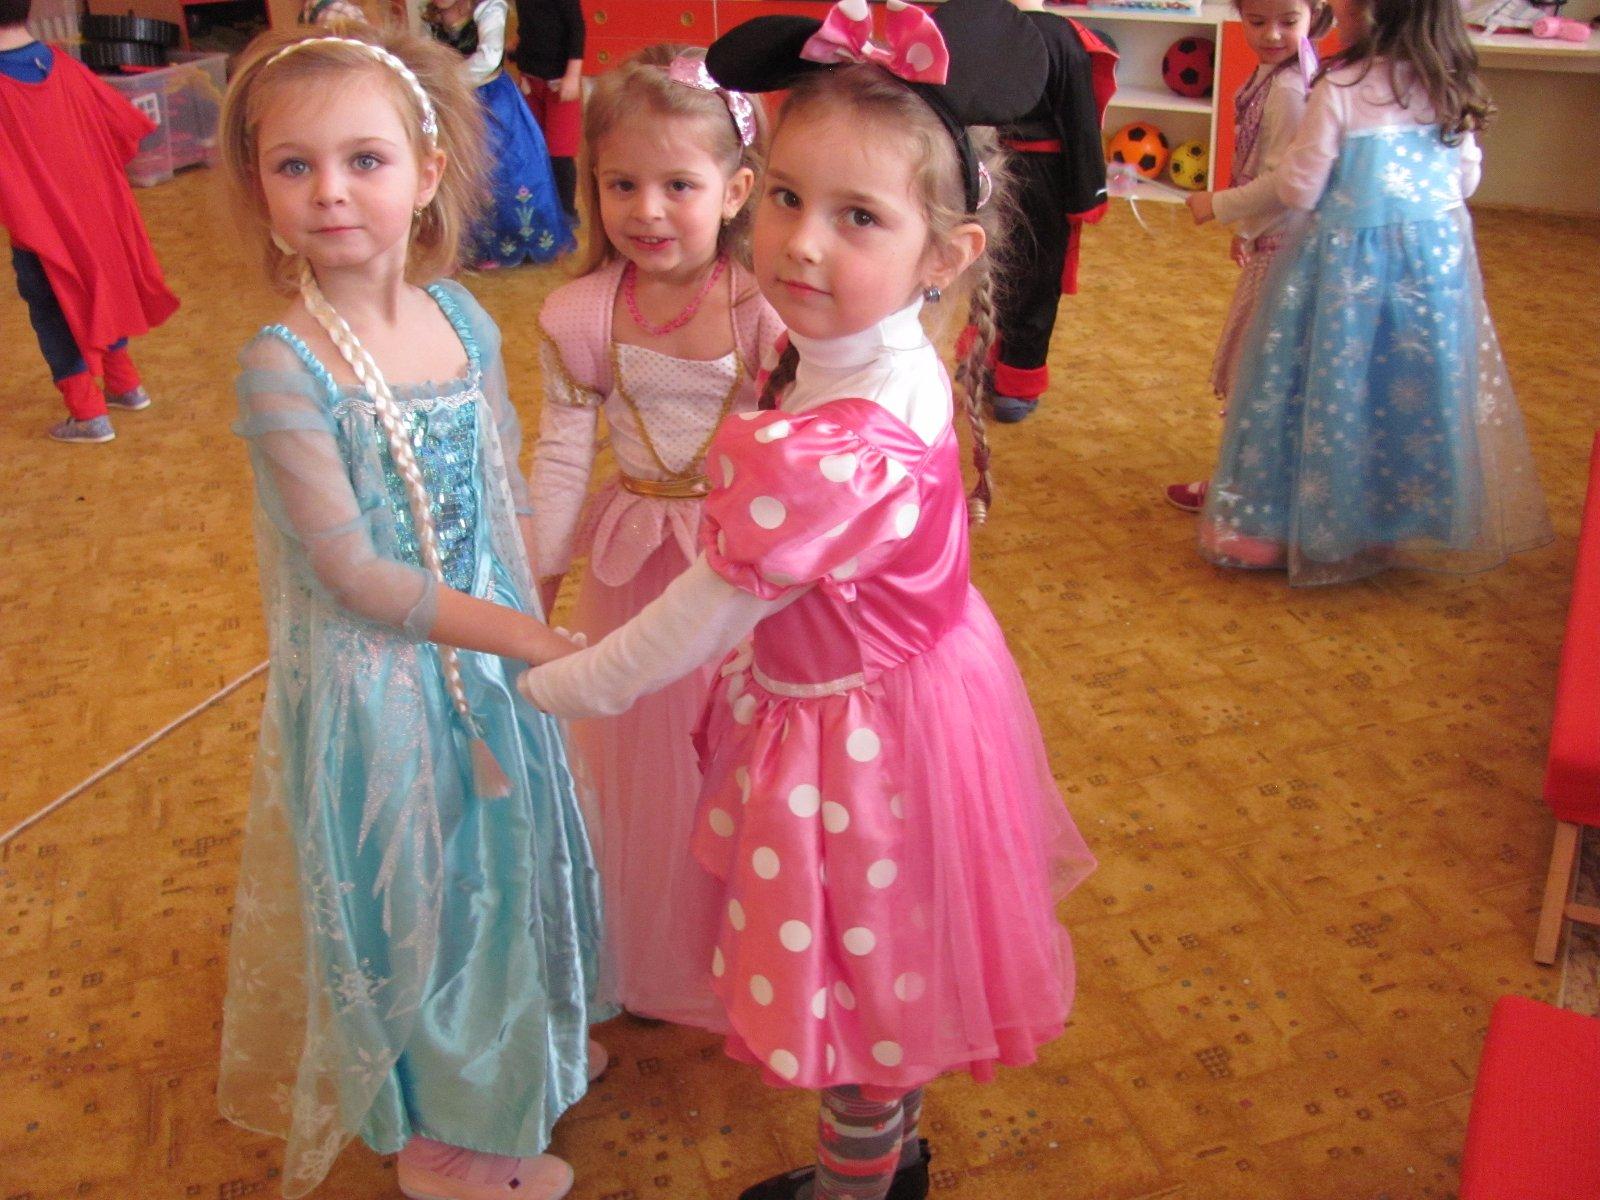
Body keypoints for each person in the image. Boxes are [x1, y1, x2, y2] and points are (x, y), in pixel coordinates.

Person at [521, 1, 1096, 1196]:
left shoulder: (843, 443)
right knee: (892, 967)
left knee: (866, 991)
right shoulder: (869, 354)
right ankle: (889, 1159)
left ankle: (857, 1186)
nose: (799, 243)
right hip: (903, 689)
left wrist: (553, 683)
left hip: (862, 738)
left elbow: (692, 622)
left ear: (943, 255)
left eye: (857, 217)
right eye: (785, 196)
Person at [214, 27, 605, 1200]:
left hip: (485, 650)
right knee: (423, 892)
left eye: (364, 160)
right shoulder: (284, 366)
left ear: (427, 172)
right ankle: (440, 1125)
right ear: (260, 188)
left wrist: (532, 603)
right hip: (380, 691)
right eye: (294, 166)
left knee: (505, 858)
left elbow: (499, 482)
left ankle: (518, 1043)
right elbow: (355, 575)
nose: (329, 191)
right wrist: (522, 636)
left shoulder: (465, 321)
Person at [531, 44, 779, 1030]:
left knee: (736, 756)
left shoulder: (763, 310)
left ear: (735, 190)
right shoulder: (580, 314)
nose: (646, 210)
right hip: (631, 566)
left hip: (737, 573)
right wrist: (535, 587)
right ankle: (651, 946)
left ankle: (746, 938)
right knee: (640, 761)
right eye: (621, 184)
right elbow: (560, 459)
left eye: (679, 185)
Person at [1197, 0, 1552, 584]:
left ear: (1371, 13)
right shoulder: (1448, 81)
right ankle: (1391, 516)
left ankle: (1285, 522)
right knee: (1408, 384)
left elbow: (1301, 188)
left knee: (1329, 384)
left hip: (1346, 267)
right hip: (1432, 268)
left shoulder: (1340, 86)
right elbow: (1466, 179)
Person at [1165, 0, 1327, 511]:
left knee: (1257, 375)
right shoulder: (1276, 75)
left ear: (1314, 14)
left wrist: (1219, 205)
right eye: (1256, 22)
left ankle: (1241, 487)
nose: (1271, 35)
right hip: (1274, 242)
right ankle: (1251, 480)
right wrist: (1247, 229)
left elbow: (1284, 183)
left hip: (1287, 251)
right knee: (1262, 373)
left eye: (1287, 22)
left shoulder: (1289, 88)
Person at [0, 0, 177, 444]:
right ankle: (125, 385)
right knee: (100, 293)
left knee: (54, 312)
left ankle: (88, 414)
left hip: (41, 230)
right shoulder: (65, 65)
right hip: (96, 217)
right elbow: (123, 131)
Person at [986, 0, 1115, 424]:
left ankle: (992, 363)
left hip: (993, 168)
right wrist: (1088, 193)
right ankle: (1016, 383)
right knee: (1036, 278)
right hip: (1042, 177)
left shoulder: (986, 28)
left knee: (998, 269)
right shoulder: (1063, 37)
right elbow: (1080, 120)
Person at [425, 0, 574, 267]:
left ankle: (516, 240)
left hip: (492, 102)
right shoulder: (434, 15)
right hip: (457, 103)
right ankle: (473, 244)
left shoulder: (490, 8)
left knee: (506, 168)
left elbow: (489, 59)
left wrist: (443, 81)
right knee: (463, 169)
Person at [512, 0, 583, 222]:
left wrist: (572, 75)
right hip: (531, 79)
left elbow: (577, 31)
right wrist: (517, 44)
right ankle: (541, 204)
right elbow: (529, 23)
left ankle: (566, 212)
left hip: (559, 84)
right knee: (533, 145)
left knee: (560, 151)